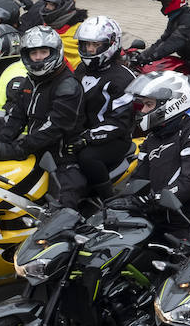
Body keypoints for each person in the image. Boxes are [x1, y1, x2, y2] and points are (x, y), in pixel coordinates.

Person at [111, 71, 190, 246]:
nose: (143, 110)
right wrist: (127, 199)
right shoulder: (152, 138)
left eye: (148, 105)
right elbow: (140, 177)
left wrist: (152, 200)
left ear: (171, 104)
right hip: (155, 219)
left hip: (186, 223)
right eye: (142, 105)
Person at [0, 25, 82, 168]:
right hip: (34, 151)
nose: (38, 58)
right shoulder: (30, 81)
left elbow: (54, 128)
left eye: (44, 52)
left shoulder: (67, 86)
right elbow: (17, 118)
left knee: (66, 189)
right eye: (33, 53)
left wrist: (17, 149)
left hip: (62, 157)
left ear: (55, 52)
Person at [58, 16, 137, 207]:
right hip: (80, 134)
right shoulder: (81, 69)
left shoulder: (123, 78)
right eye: (86, 45)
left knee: (87, 158)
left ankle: (107, 200)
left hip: (113, 139)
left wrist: (87, 138)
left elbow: (120, 122)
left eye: (96, 45)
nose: (90, 50)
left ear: (111, 44)